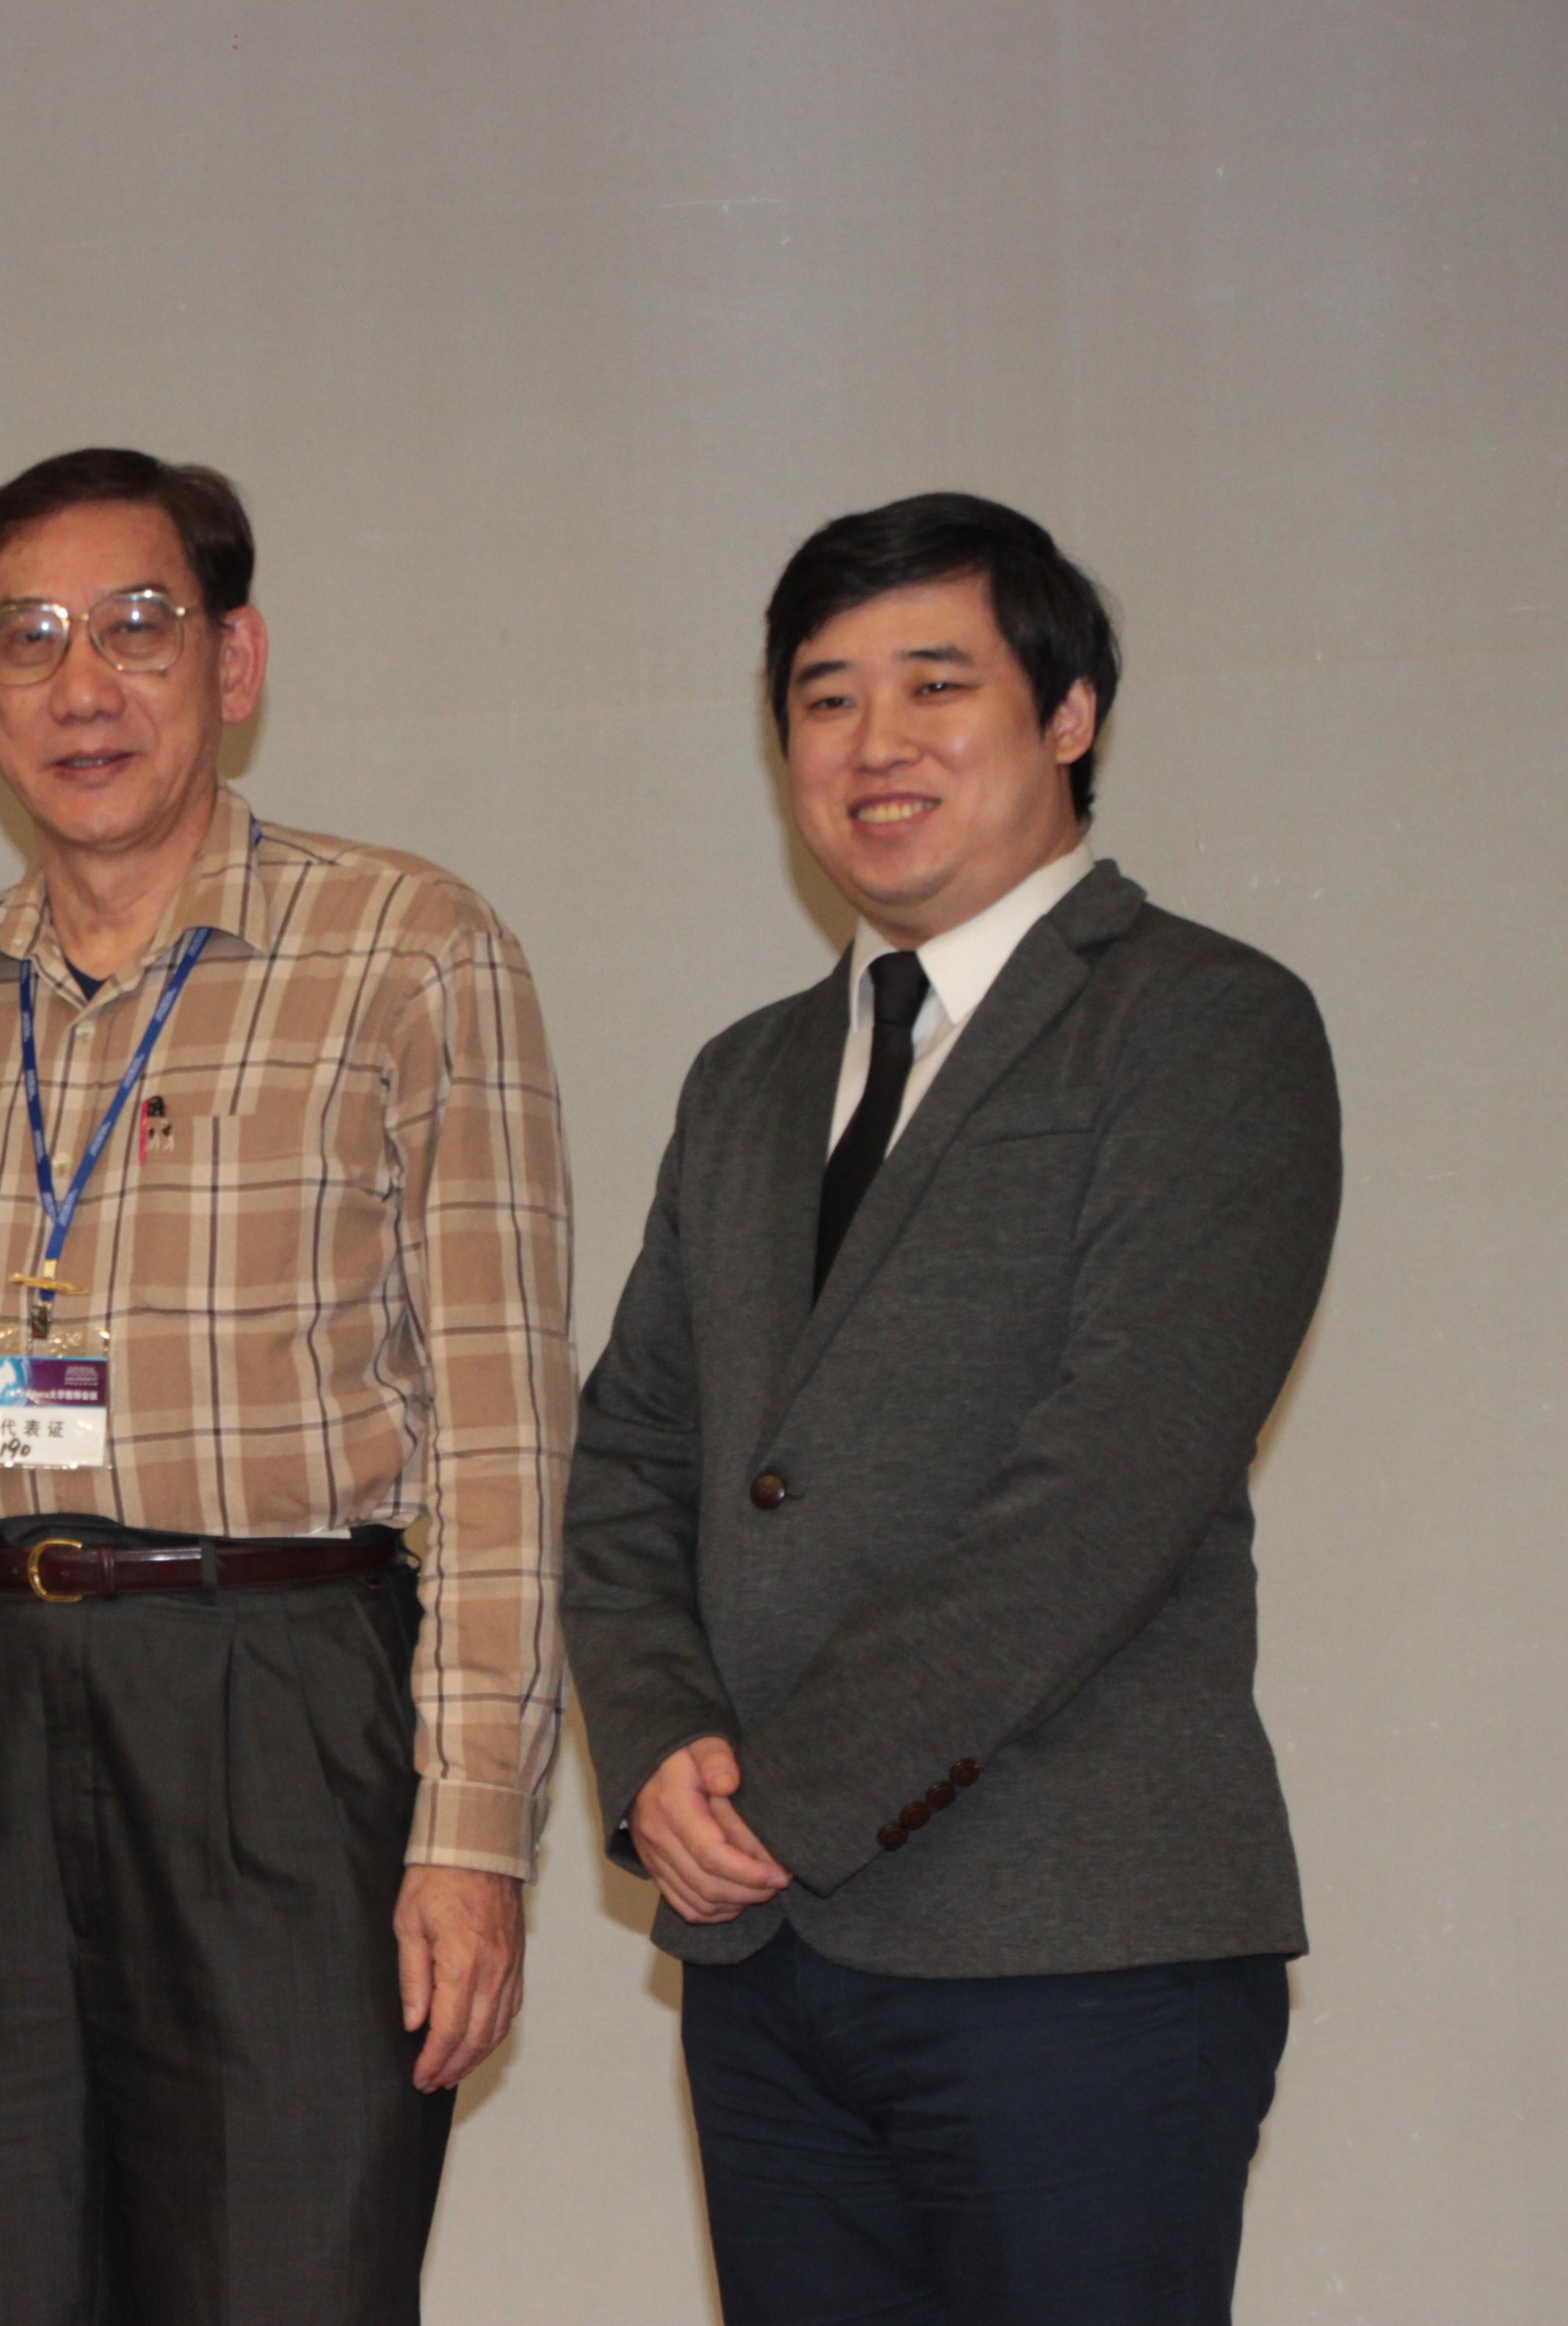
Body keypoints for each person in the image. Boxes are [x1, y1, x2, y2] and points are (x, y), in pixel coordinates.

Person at [563, 491, 1341, 2325]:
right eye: (824, 699)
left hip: (1079, 1956)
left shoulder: (1204, 1025)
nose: (874, 743)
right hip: (766, 1971)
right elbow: (637, 1463)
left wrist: (786, 1794)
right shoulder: (749, 1075)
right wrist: (663, 1744)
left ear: (1068, 716)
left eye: (936, 684)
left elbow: (1105, 1495)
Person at [0, 448, 576, 2325]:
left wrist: (470, 1829)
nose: (82, 684)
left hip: (280, 1702)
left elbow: (502, 1435)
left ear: (235, 661)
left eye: (139, 627)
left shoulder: (409, 948)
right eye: (29, 638)